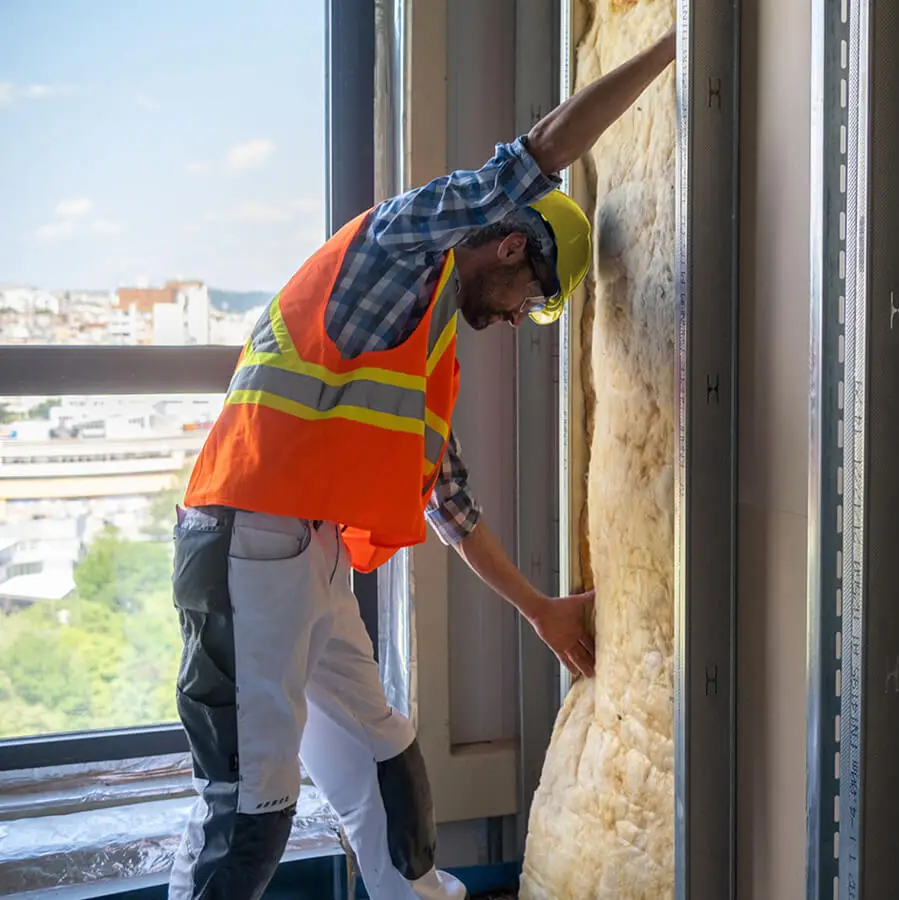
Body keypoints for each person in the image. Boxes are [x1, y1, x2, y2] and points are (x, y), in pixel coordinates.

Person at [166, 29, 677, 900]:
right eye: (531, 302)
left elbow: (452, 506)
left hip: (308, 555)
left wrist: (541, 610)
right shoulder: (399, 245)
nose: (517, 321)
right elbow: (538, 153)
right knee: (249, 812)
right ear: (512, 248)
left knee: (387, 762)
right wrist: (676, 42)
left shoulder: (426, 343)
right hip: (245, 545)